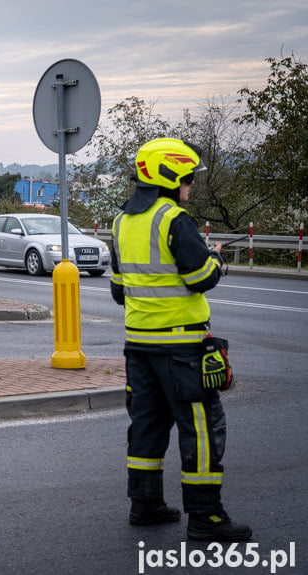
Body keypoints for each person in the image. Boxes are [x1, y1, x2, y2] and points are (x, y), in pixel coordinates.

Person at [110, 138, 251, 542]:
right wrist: (216, 258)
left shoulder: (122, 222)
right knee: (203, 426)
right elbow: (200, 278)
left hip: (139, 345)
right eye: (188, 177)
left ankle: (146, 505)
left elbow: (120, 291)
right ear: (171, 176)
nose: (190, 184)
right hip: (182, 347)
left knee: (147, 425)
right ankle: (206, 516)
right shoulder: (174, 219)